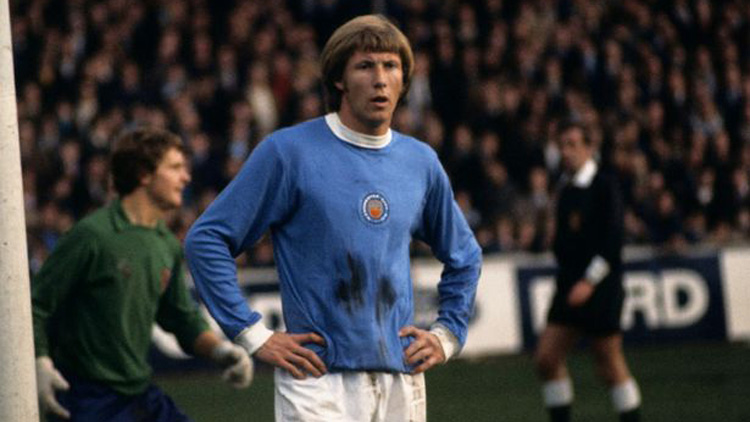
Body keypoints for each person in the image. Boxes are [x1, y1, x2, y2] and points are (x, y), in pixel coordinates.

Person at [185, 14, 481, 421]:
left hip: (402, 377)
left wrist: (448, 334)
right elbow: (206, 240)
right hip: (316, 379)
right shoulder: (288, 152)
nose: (380, 79)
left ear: (405, 79)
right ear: (339, 79)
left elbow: (465, 255)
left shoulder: (420, 162)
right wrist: (252, 333)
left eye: (391, 66)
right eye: (365, 66)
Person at [32, 128, 253, 422]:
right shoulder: (92, 236)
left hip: (138, 391)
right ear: (144, 174)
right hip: (86, 398)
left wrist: (220, 350)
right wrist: (40, 362)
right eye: (175, 167)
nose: (186, 178)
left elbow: (180, 317)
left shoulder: (166, 243)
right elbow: (35, 305)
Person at [534, 121, 641, 422]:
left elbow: (612, 242)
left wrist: (589, 281)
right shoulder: (565, 188)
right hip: (569, 284)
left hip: (601, 286)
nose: (565, 151)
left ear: (590, 148)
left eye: (572, 144)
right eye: (562, 145)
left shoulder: (605, 186)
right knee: (546, 359)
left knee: (609, 365)